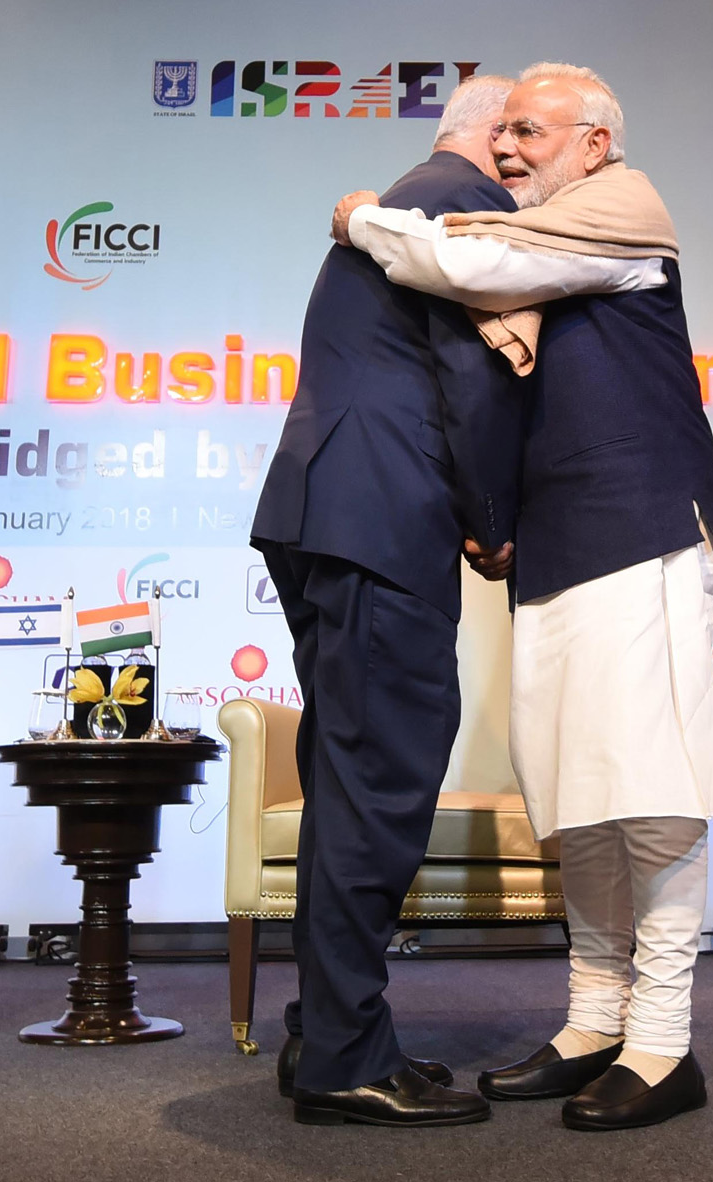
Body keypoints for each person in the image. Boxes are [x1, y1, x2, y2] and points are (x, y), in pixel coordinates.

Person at [330, 62, 713, 1132]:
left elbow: (469, 257)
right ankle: (592, 1021)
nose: (507, 149)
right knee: (580, 797)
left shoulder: (621, 207)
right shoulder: (557, 234)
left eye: (530, 130)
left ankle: (661, 1042)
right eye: (501, 131)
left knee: (648, 790)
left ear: (594, 141)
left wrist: (365, 217)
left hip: (640, 525)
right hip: (560, 545)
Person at [246, 73, 522, 1129]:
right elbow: (476, 388)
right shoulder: (464, 204)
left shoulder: (406, 195)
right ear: (493, 141)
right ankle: (343, 1059)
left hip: (329, 516)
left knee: (349, 782)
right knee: (381, 783)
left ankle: (324, 1031)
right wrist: (496, 522)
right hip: (379, 523)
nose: (532, 163)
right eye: (524, 137)